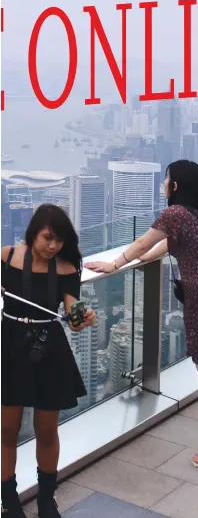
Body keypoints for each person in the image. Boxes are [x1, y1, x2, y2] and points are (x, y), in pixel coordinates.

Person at [87, 161, 198, 477]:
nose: (164, 186)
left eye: (166, 181)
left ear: (174, 186)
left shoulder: (175, 213)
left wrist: (115, 263)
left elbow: (143, 242)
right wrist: (150, 257)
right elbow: (166, 244)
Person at [1, 205, 97, 518]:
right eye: (48, 238)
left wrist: (82, 316)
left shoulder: (67, 267)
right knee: (6, 428)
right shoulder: (6, 257)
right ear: (34, 233)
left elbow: (72, 311)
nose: (54, 246)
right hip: (11, 344)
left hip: (48, 347)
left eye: (59, 241)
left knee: (46, 430)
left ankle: (46, 500)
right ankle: (9, 501)